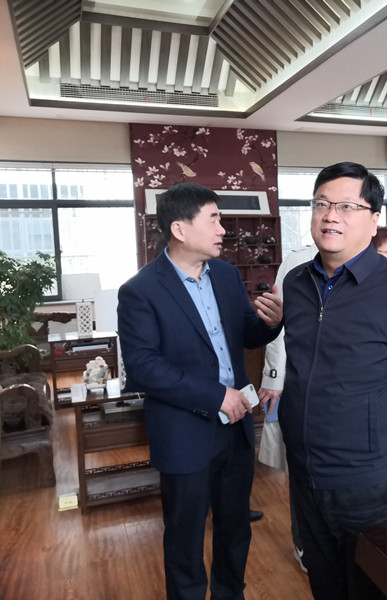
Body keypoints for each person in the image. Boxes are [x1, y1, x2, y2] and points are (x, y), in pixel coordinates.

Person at [280, 162, 387, 599]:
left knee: (371, 585)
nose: (330, 215)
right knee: (324, 580)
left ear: (374, 220)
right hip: (304, 469)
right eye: (321, 204)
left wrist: (384, 430)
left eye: (346, 206)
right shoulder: (296, 283)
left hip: (369, 477)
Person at [117, 182, 283, 600]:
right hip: (184, 431)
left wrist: (272, 323)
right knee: (185, 535)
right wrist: (215, 395)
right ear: (179, 229)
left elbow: (247, 334)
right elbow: (144, 366)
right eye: (213, 219)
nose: (223, 229)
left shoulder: (225, 276)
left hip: (236, 425)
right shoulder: (140, 290)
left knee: (235, 526)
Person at [256, 242, 316, 573]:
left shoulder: (366, 258)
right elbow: (279, 327)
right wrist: (274, 378)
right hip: (299, 379)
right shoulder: (299, 259)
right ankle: (304, 542)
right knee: (301, 466)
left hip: (346, 389)